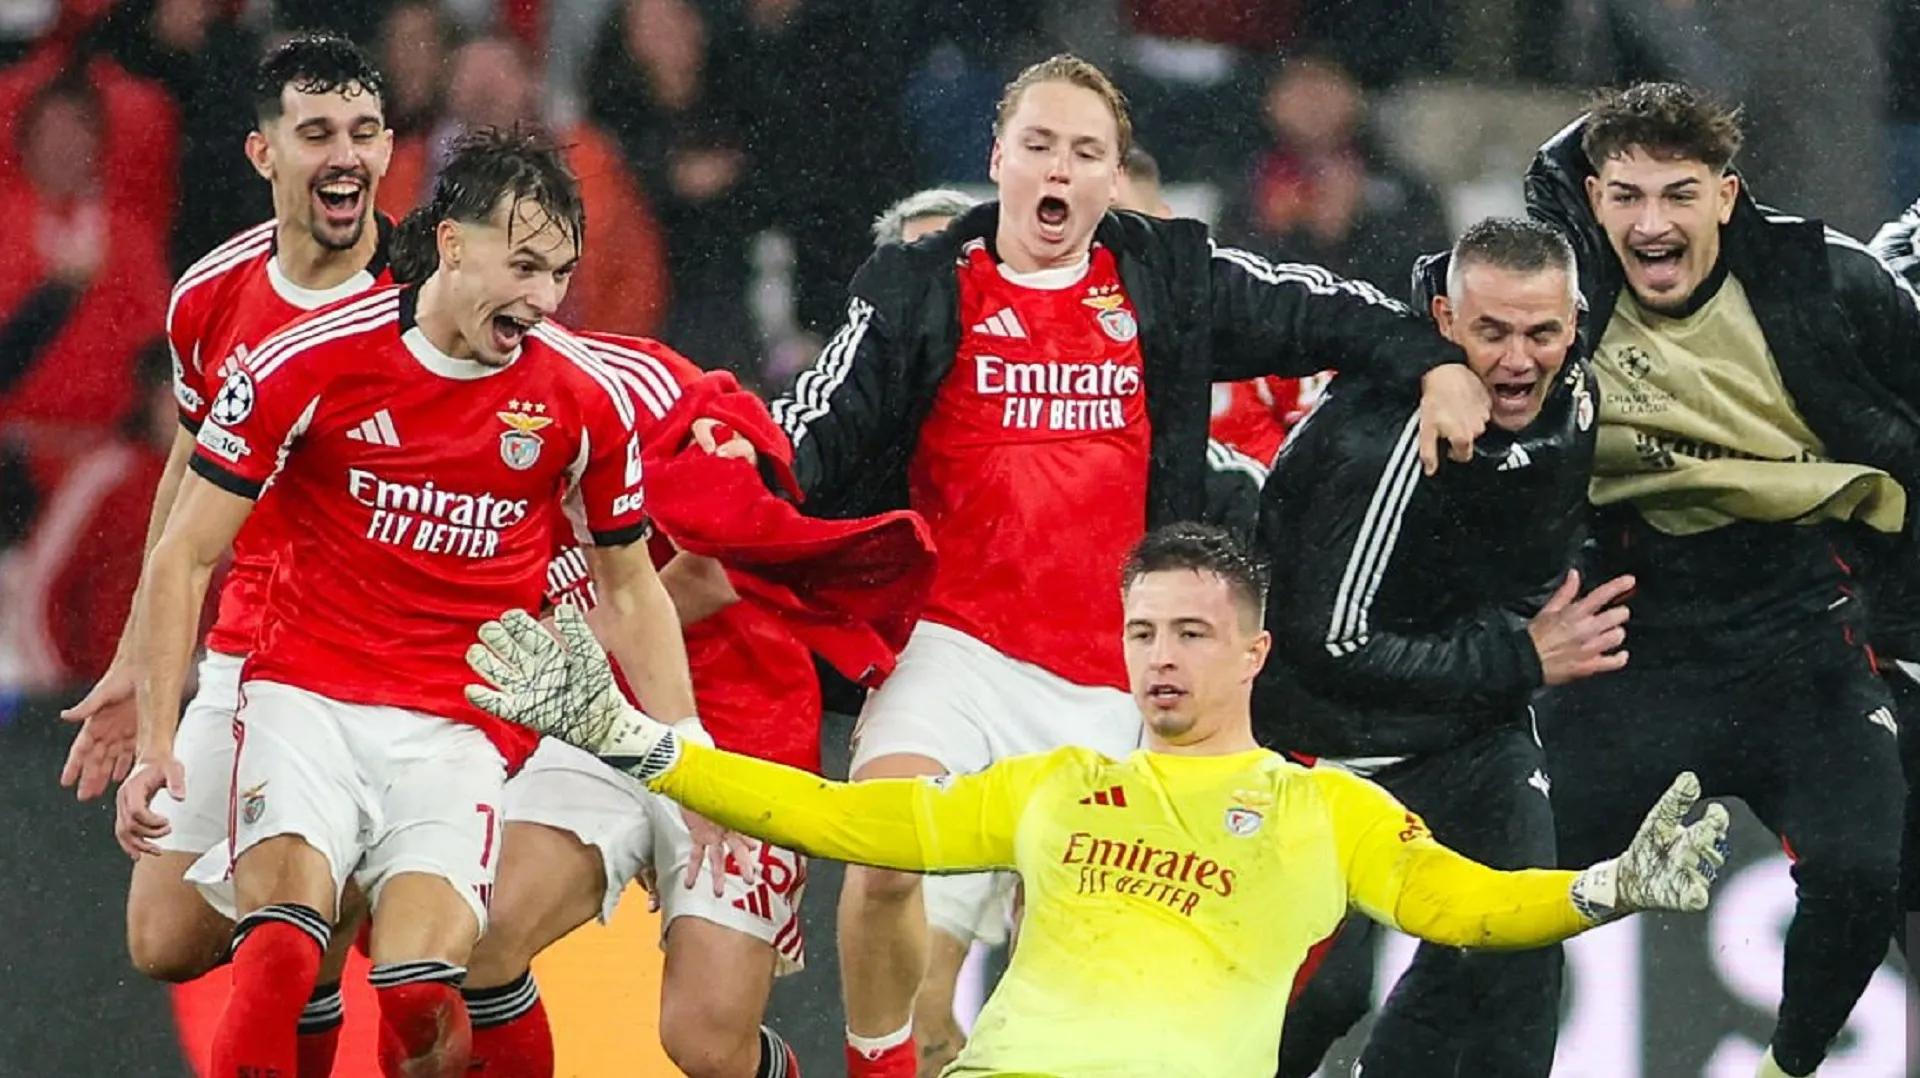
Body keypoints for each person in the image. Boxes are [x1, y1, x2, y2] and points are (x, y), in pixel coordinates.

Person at [752, 54, 1490, 1077]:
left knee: (1113, 987)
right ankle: (877, 1066)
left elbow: (1324, 311)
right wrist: (726, 481)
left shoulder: (1166, 278)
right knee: (883, 863)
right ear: (998, 157)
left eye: (1087, 151)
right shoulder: (921, 286)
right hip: (960, 652)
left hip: (1124, 680)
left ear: (1113, 177)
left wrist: (1437, 361)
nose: (1062, 168)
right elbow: (810, 436)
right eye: (1042, 144)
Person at [461, 522, 1732, 1078]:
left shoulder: (1323, 811)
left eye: (1191, 631)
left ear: (1255, 655)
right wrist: (641, 743)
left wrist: (1605, 887)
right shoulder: (1058, 786)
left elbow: (1466, 905)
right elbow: (845, 823)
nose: (1162, 656)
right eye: (1141, 632)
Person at [119, 126, 693, 1078]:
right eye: (524, 265)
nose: (545, 298)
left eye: (559, 272)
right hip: (303, 700)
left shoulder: (580, 400)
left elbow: (633, 587)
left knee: (425, 990)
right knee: (275, 956)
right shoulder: (308, 362)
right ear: (455, 242)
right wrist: (152, 736)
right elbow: (183, 553)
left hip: (453, 730)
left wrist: (689, 761)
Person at [1525, 82, 1920, 1078]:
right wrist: (1508, 616)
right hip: (1630, 623)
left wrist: (1898, 618)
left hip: (1803, 619)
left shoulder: (1829, 285)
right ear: (1593, 200)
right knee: (1499, 889)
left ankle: (1787, 1068)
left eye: (1680, 194)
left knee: (1866, 871)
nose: (1652, 223)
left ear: (1729, 197)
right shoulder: (1556, 294)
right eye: (1626, 196)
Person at [56, 33, 396, 1076]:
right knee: (162, 936)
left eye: (365, 133)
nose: (345, 156)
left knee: (305, 912)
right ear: (263, 154)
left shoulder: (429, 292)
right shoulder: (211, 295)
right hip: (256, 643)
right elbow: (185, 486)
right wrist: (132, 665)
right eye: (317, 134)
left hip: (400, 657)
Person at [1262, 217, 1618, 1078]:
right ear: (1444, 321)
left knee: (1520, 957)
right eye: (1491, 332)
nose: (1518, 360)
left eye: (1541, 333)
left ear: (1576, 322)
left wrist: (1512, 657)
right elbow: (1327, 645)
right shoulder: (1375, 435)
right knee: (1319, 997)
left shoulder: (1580, 397)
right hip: (1327, 744)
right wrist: (1519, 659)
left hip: (1469, 731)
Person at [459, 336, 814, 1078]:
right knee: (479, 939)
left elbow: (711, 576)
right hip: (592, 725)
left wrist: (548, 641)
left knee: (707, 1045)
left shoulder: (641, 384)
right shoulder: (412, 415)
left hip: (738, 720)